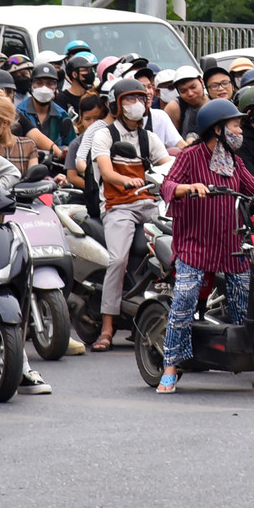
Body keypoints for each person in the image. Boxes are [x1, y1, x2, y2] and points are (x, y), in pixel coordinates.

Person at [155, 98, 254, 392]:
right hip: (195, 245)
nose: (240, 130)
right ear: (218, 129)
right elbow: (167, 186)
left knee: (245, 302)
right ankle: (170, 366)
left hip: (232, 245)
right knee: (184, 300)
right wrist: (189, 188)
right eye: (235, 125)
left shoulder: (233, 162)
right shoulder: (191, 156)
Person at [84, 78, 172, 352]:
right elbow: (107, 173)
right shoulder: (104, 135)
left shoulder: (150, 138)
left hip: (150, 205)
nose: (135, 105)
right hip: (117, 206)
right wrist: (126, 180)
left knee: (176, 250)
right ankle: (108, 326)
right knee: (118, 259)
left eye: (140, 99)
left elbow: (169, 164)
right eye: (128, 100)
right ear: (116, 104)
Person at [16, 64, 77, 147]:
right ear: (31, 85)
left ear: (56, 86)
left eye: (49, 84)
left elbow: (72, 146)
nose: (44, 88)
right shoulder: (19, 113)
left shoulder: (62, 116)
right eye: (39, 83)